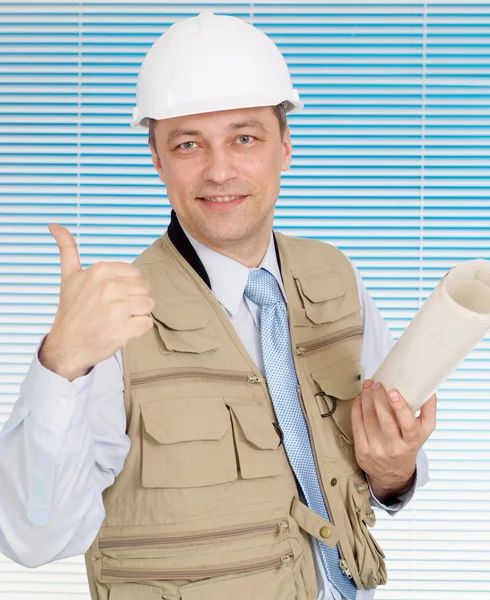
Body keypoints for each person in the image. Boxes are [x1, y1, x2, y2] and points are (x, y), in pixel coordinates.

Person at [0, 12, 436, 600]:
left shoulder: (336, 278)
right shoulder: (110, 322)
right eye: (188, 144)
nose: (220, 170)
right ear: (157, 158)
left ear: (285, 147)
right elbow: (32, 537)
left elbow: (386, 476)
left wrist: (394, 471)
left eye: (245, 137)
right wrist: (61, 363)